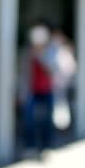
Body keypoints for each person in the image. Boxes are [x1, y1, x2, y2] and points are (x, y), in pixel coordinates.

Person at [19, 25, 56, 158]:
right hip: (31, 91)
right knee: (29, 120)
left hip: (47, 90)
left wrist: (40, 56)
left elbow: (52, 70)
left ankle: (46, 147)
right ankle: (30, 147)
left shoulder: (51, 51)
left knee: (46, 120)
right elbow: (23, 74)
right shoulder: (26, 53)